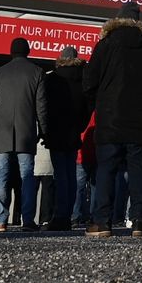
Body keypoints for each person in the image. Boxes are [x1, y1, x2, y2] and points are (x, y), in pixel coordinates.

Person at [85, 4, 142, 238]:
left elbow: (89, 81)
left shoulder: (106, 45)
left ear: (118, 20)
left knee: (106, 170)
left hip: (109, 118)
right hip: (141, 119)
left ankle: (102, 222)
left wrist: (98, 102)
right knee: (139, 170)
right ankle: (140, 221)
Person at [0, 38, 49, 234]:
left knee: (1, 176)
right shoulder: (37, 72)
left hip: (3, 132)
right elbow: (41, 106)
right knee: (27, 176)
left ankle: (1, 220)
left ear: (11, 51)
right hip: (26, 131)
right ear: (28, 51)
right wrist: (44, 130)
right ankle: (28, 220)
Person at [41, 48, 88, 230]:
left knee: (60, 175)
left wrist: (45, 129)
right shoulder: (82, 78)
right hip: (73, 132)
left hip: (56, 132)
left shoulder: (52, 79)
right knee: (71, 175)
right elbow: (87, 106)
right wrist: (79, 126)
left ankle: (61, 216)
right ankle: (68, 214)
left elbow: (44, 106)